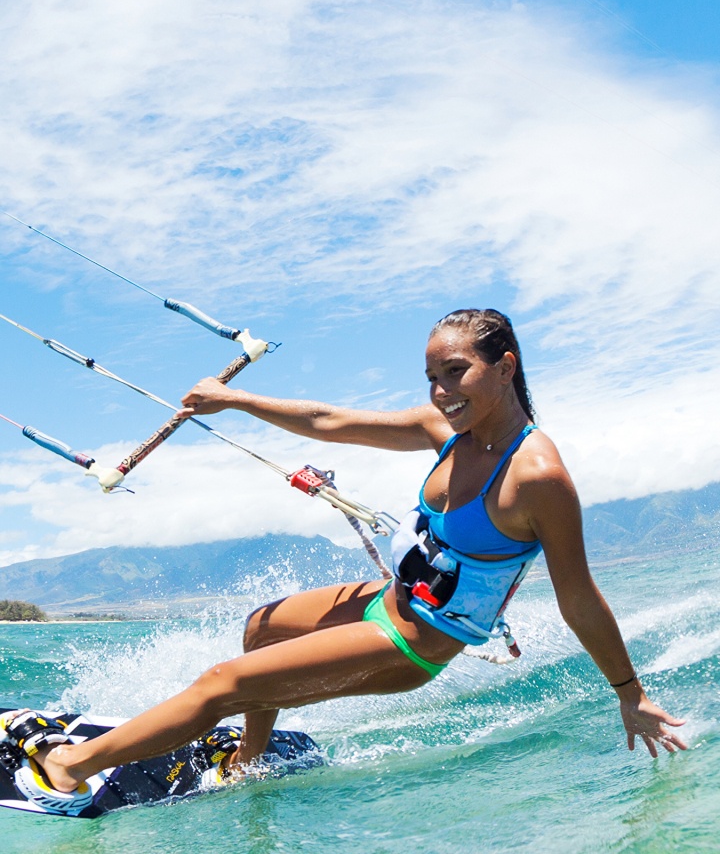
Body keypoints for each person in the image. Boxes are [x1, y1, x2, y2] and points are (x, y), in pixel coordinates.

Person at [10, 308, 686, 798]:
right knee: (261, 627)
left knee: (223, 684)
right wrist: (234, 399)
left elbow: (579, 597)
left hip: (415, 643)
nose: (441, 392)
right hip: (387, 602)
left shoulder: (535, 477)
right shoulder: (449, 431)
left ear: (505, 366)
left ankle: (69, 769)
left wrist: (630, 694)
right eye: (432, 377)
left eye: (455, 373)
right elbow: (329, 421)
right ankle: (249, 762)